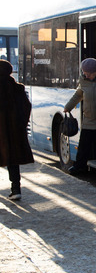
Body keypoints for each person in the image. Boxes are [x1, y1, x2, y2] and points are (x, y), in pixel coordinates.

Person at [64, 58, 96, 175]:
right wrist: (68, 107)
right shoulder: (84, 80)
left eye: (89, 74)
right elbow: (78, 95)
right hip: (89, 118)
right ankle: (79, 166)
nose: (87, 76)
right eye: (85, 74)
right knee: (84, 144)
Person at [0, 59, 34, 200]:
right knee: (12, 161)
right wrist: (20, 124)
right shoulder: (18, 88)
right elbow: (27, 107)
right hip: (14, 132)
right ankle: (16, 189)